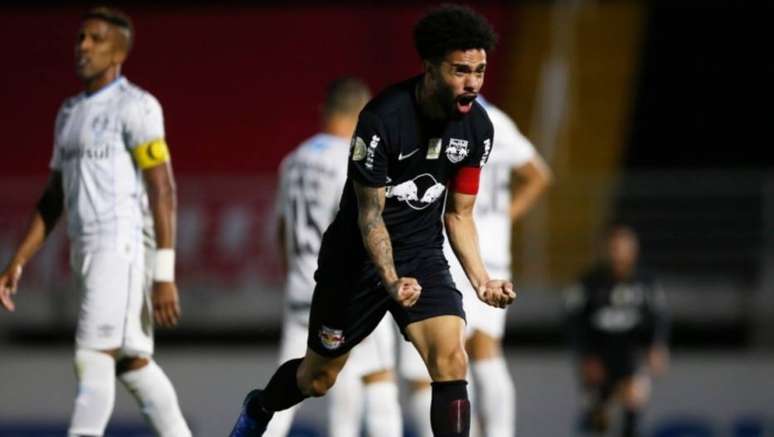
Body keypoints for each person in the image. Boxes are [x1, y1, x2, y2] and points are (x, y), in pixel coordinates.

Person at [230, 5, 514, 437]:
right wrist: (390, 278)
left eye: (480, 70)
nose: (472, 82)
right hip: (356, 262)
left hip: (421, 254)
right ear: (431, 66)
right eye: (460, 70)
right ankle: (261, 405)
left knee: (452, 360)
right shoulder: (382, 119)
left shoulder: (478, 128)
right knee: (318, 379)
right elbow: (370, 215)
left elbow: (458, 214)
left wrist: (481, 281)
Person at [0, 7, 191, 437]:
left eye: (96, 39)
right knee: (132, 364)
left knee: (93, 353)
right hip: (86, 250)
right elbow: (52, 198)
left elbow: (163, 189)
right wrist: (18, 261)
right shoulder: (68, 113)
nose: (83, 46)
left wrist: (164, 273)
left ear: (119, 51)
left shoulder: (137, 107)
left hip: (120, 248)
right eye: (81, 38)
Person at [399, 96, 552, 437]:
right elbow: (538, 175)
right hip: (492, 254)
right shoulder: (498, 120)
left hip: (450, 252)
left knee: (424, 370)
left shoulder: (438, 123)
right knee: (486, 350)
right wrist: (501, 220)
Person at [267, 77, 402, 437]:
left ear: (325, 111)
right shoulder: (353, 161)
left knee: (292, 380)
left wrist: (294, 275)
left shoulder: (293, 160)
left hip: (300, 285)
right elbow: (362, 228)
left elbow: (282, 229)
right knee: (378, 375)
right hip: (345, 287)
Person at [564, 224, 670, 437]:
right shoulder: (589, 283)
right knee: (599, 417)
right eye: (614, 248)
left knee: (633, 403)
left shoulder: (646, 283)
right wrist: (586, 355)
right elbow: (573, 321)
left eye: (623, 248)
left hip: (631, 354)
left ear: (634, 251)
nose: (618, 254)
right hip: (599, 355)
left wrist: (657, 346)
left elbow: (659, 316)